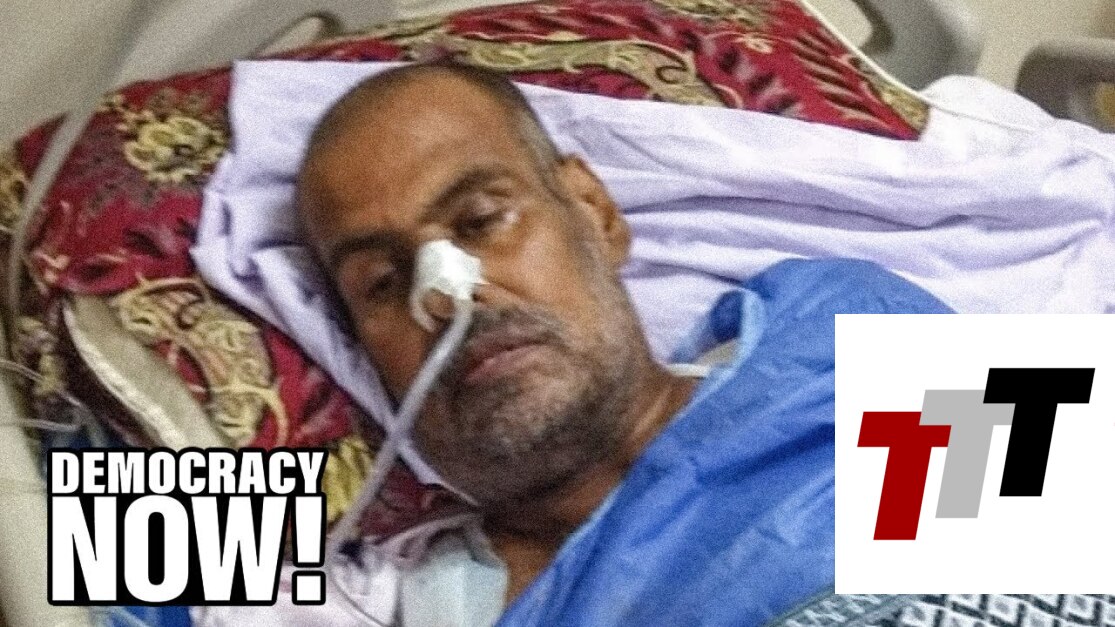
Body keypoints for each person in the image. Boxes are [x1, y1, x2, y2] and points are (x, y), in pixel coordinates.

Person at [295, 61, 953, 626]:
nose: (445, 296)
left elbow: (1017, 517)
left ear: (594, 212)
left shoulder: (837, 331)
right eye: (382, 283)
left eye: (480, 219)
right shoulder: (395, 601)